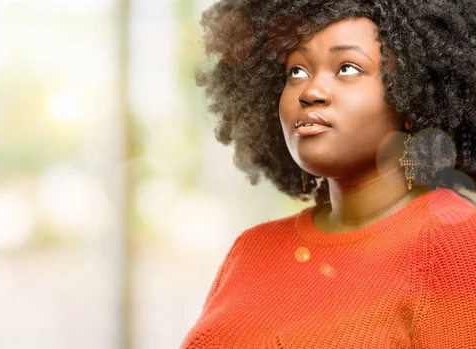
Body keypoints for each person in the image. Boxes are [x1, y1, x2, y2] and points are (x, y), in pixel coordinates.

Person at [180, 0, 476, 348]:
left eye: (348, 68)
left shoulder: (454, 241)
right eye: (297, 72)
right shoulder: (250, 249)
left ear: (411, 97)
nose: (311, 92)